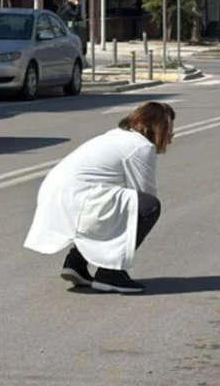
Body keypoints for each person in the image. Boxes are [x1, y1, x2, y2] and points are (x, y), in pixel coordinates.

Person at [24, 102, 176, 294]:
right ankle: (110, 273)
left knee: (115, 206)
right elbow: (145, 195)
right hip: (78, 198)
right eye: (169, 133)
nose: (170, 139)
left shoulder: (116, 136)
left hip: (56, 196)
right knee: (148, 207)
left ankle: (76, 264)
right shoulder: (141, 147)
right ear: (158, 128)